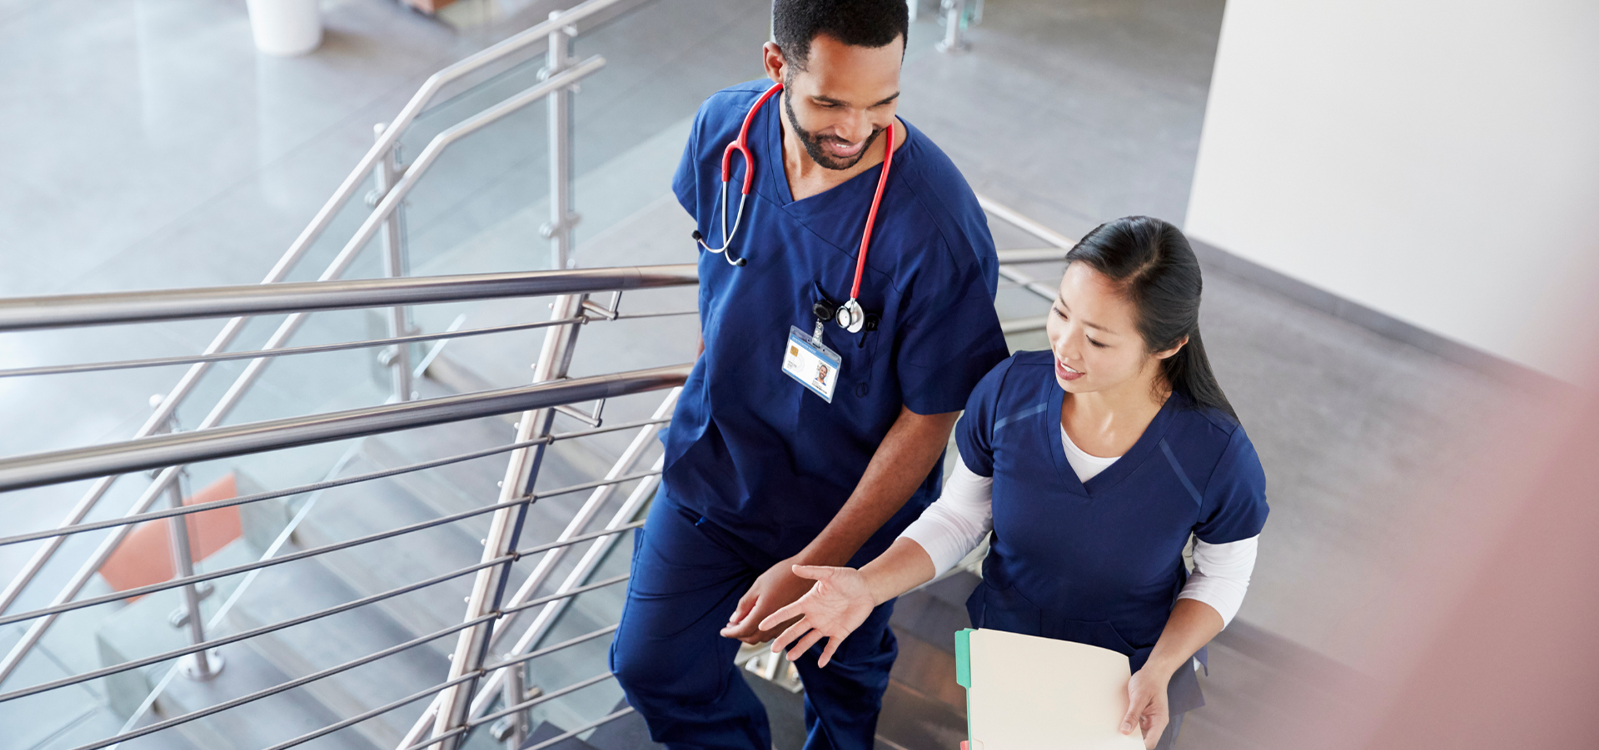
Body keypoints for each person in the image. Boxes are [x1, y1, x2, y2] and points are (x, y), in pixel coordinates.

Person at [608, 1, 1009, 748]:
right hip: (715, 471)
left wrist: (815, 563)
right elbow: (719, 263)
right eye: (829, 102)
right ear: (776, 66)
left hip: (851, 511)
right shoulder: (724, 130)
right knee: (651, 665)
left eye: (881, 104)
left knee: (843, 680)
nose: (855, 130)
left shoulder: (934, 228)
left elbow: (929, 419)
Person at [760, 217, 1269, 750]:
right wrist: (869, 584)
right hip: (1008, 653)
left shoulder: (1215, 456)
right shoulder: (1008, 393)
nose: (1065, 348)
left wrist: (1162, 668)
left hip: (1128, 684)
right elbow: (960, 517)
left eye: (1096, 339)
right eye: (1060, 312)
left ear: (1168, 346)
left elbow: (1222, 576)